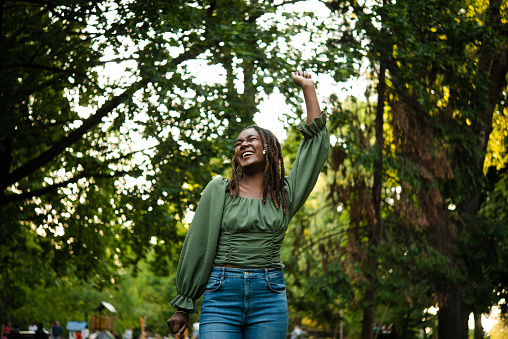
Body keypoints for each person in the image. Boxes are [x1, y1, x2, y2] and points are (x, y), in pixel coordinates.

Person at [166, 70, 330, 339]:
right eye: (238, 142)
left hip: (269, 295)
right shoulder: (219, 190)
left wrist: (308, 88)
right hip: (221, 294)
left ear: (267, 148)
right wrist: (184, 302)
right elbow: (196, 244)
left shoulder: (286, 193)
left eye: (251, 139)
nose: (243, 145)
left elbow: (315, 143)